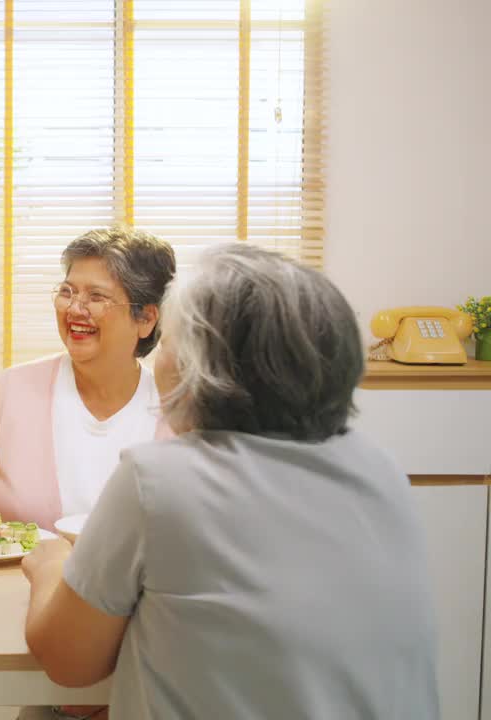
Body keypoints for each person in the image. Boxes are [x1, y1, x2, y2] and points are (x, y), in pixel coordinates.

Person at [22, 243, 439, 719]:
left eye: (169, 342)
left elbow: (67, 661)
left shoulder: (157, 481)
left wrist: (50, 564)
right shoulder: (380, 472)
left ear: (204, 368)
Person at [0, 227, 176, 531]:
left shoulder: (177, 414)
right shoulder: (13, 390)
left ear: (146, 319)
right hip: (20, 579)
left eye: (96, 297)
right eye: (67, 292)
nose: (74, 309)